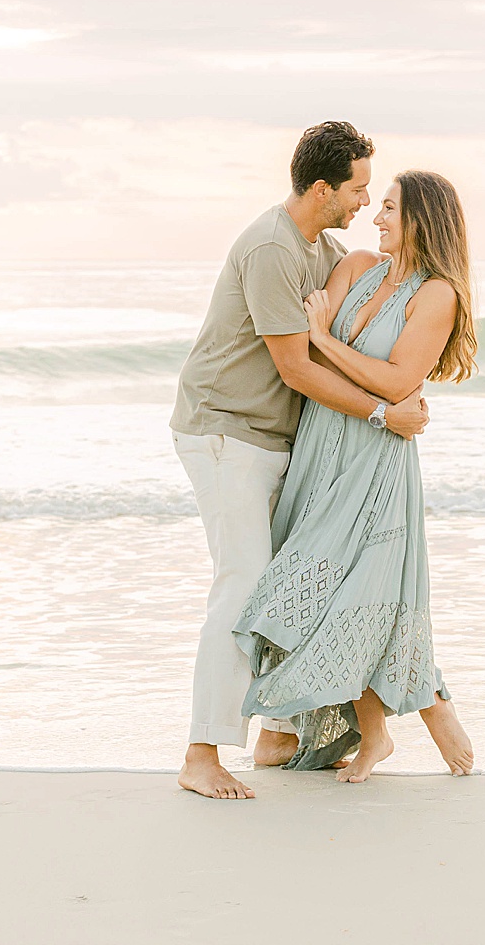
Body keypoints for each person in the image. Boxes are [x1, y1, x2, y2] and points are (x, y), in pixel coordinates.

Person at [170, 122, 430, 800]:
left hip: (278, 444)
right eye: (357, 188)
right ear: (322, 188)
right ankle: (201, 753)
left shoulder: (328, 252)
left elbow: (346, 345)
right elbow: (295, 367)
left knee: (288, 580)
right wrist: (381, 414)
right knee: (244, 585)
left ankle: (279, 734)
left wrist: (405, 384)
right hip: (228, 435)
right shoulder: (270, 250)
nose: (365, 202)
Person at [233, 170, 478, 783]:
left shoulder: (438, 295)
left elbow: (399, 381)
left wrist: (325, 337)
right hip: (323, 446)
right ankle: (383, 726)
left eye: (390, 208)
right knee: (309, 588)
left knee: (361, 594)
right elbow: (310, 360)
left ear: (422, 219)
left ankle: (400, 719)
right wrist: (325, 346)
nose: (376, 215)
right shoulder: (356, 266)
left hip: (378, 459)